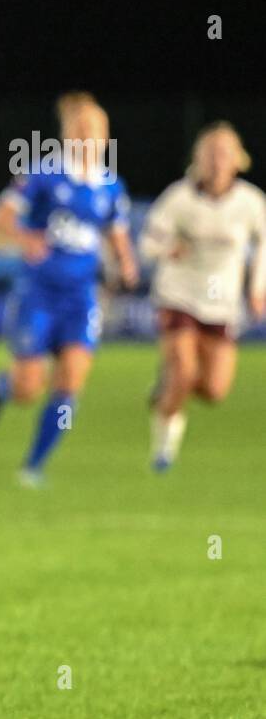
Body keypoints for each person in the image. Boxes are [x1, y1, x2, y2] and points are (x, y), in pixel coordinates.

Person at [0, 93, 138, 485]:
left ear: (105, 137)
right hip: (37, 294)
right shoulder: (42, 175)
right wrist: (25, 239)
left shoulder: (111, 186)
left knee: (70, 382)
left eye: (96, 130)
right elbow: (2, 218)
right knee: (29, 389)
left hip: (81, 298)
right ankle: (4, 386)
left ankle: (33, 466)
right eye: (81, 130)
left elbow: (116, 232)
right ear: (67, 135)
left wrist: (127, 263)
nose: (88, 137)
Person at [140, 122, 266, 470]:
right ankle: (164, 451)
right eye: (210, 152)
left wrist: (257, 290)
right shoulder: (179, 197)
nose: (216, 160)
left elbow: (263, 246)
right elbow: (149, 242)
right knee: (183, 369)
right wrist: (169, 248)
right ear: (198, 157)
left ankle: (164, 390)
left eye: (224, 153)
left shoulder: (251, 202)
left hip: (222, 301)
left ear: (238, 159)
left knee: (213, 390)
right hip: (178, 294)